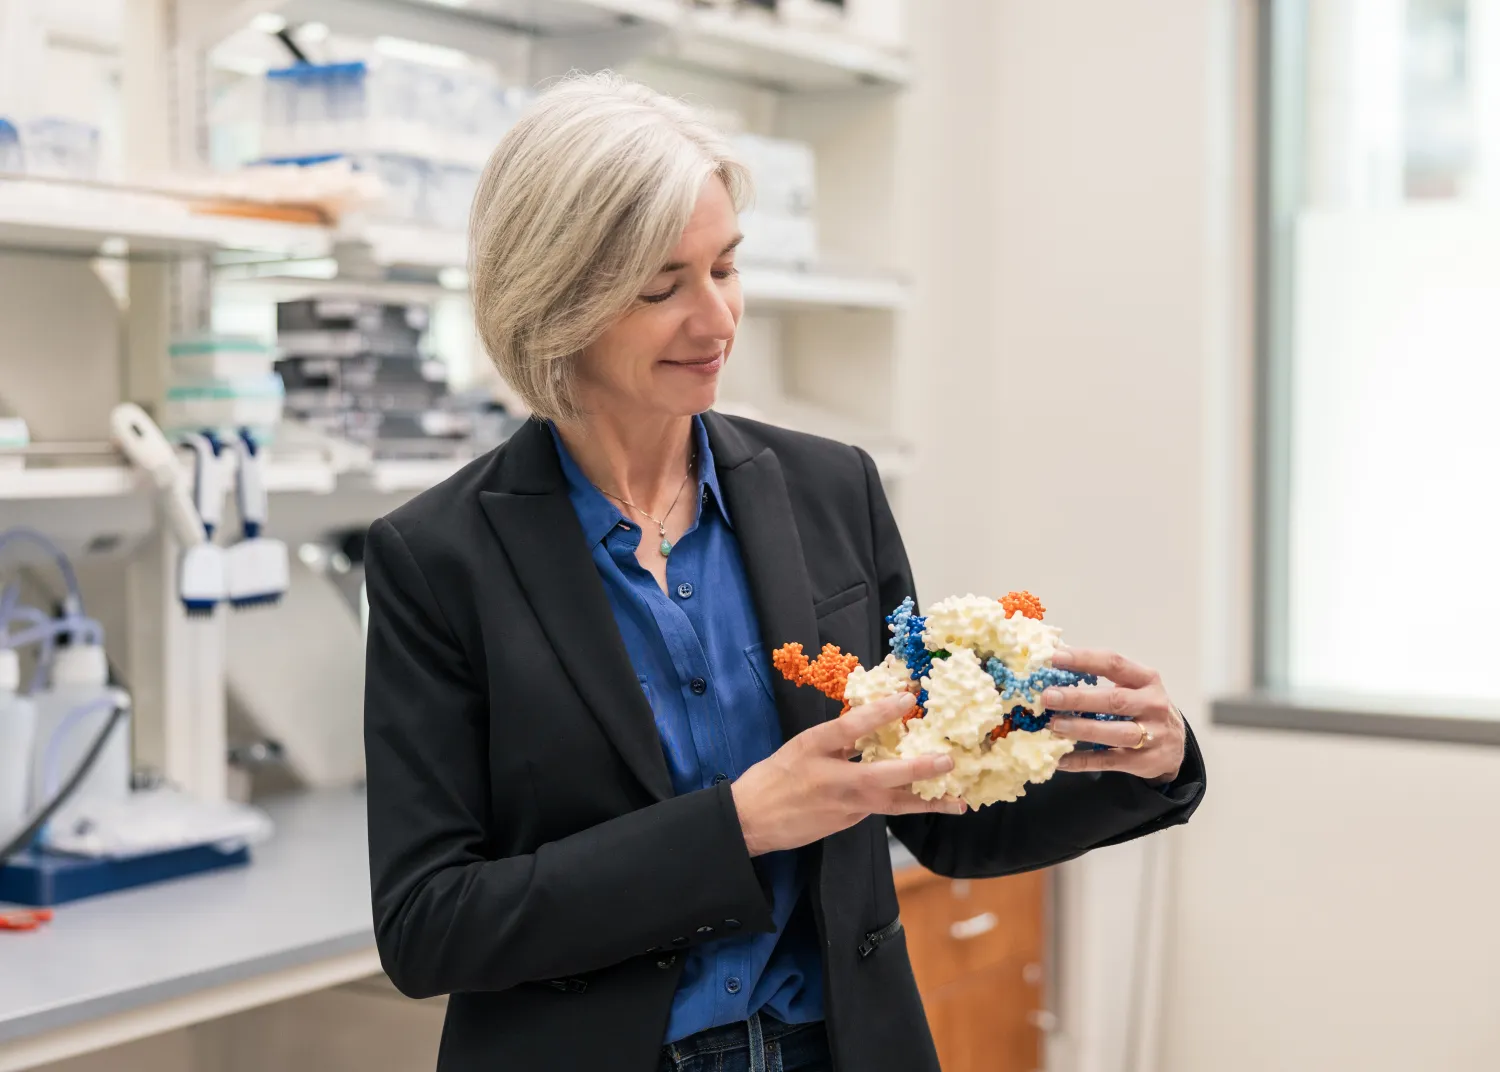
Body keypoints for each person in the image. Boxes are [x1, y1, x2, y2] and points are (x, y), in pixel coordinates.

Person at [362, 72, 1206, 1072]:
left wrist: (1145, 763)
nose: (717, 321)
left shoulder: (829, 488)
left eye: (726, 267)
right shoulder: (438, 556)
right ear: (558, 296)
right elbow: (428, 924)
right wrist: (739, 825)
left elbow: (936, 810)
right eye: (661, 287)